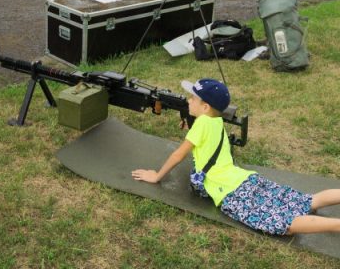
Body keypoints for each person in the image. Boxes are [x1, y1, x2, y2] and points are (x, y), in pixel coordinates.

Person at [132, 78, 340, 236]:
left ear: (205, 107)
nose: (188, 101)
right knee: (306, 201)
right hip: (244, 179)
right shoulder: (215, 121)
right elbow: (206, 139)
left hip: (230, 191)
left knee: (284, 224)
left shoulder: (202, 124)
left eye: (193, 98)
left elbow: (178, 155)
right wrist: (190, 125)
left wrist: (156, 176)